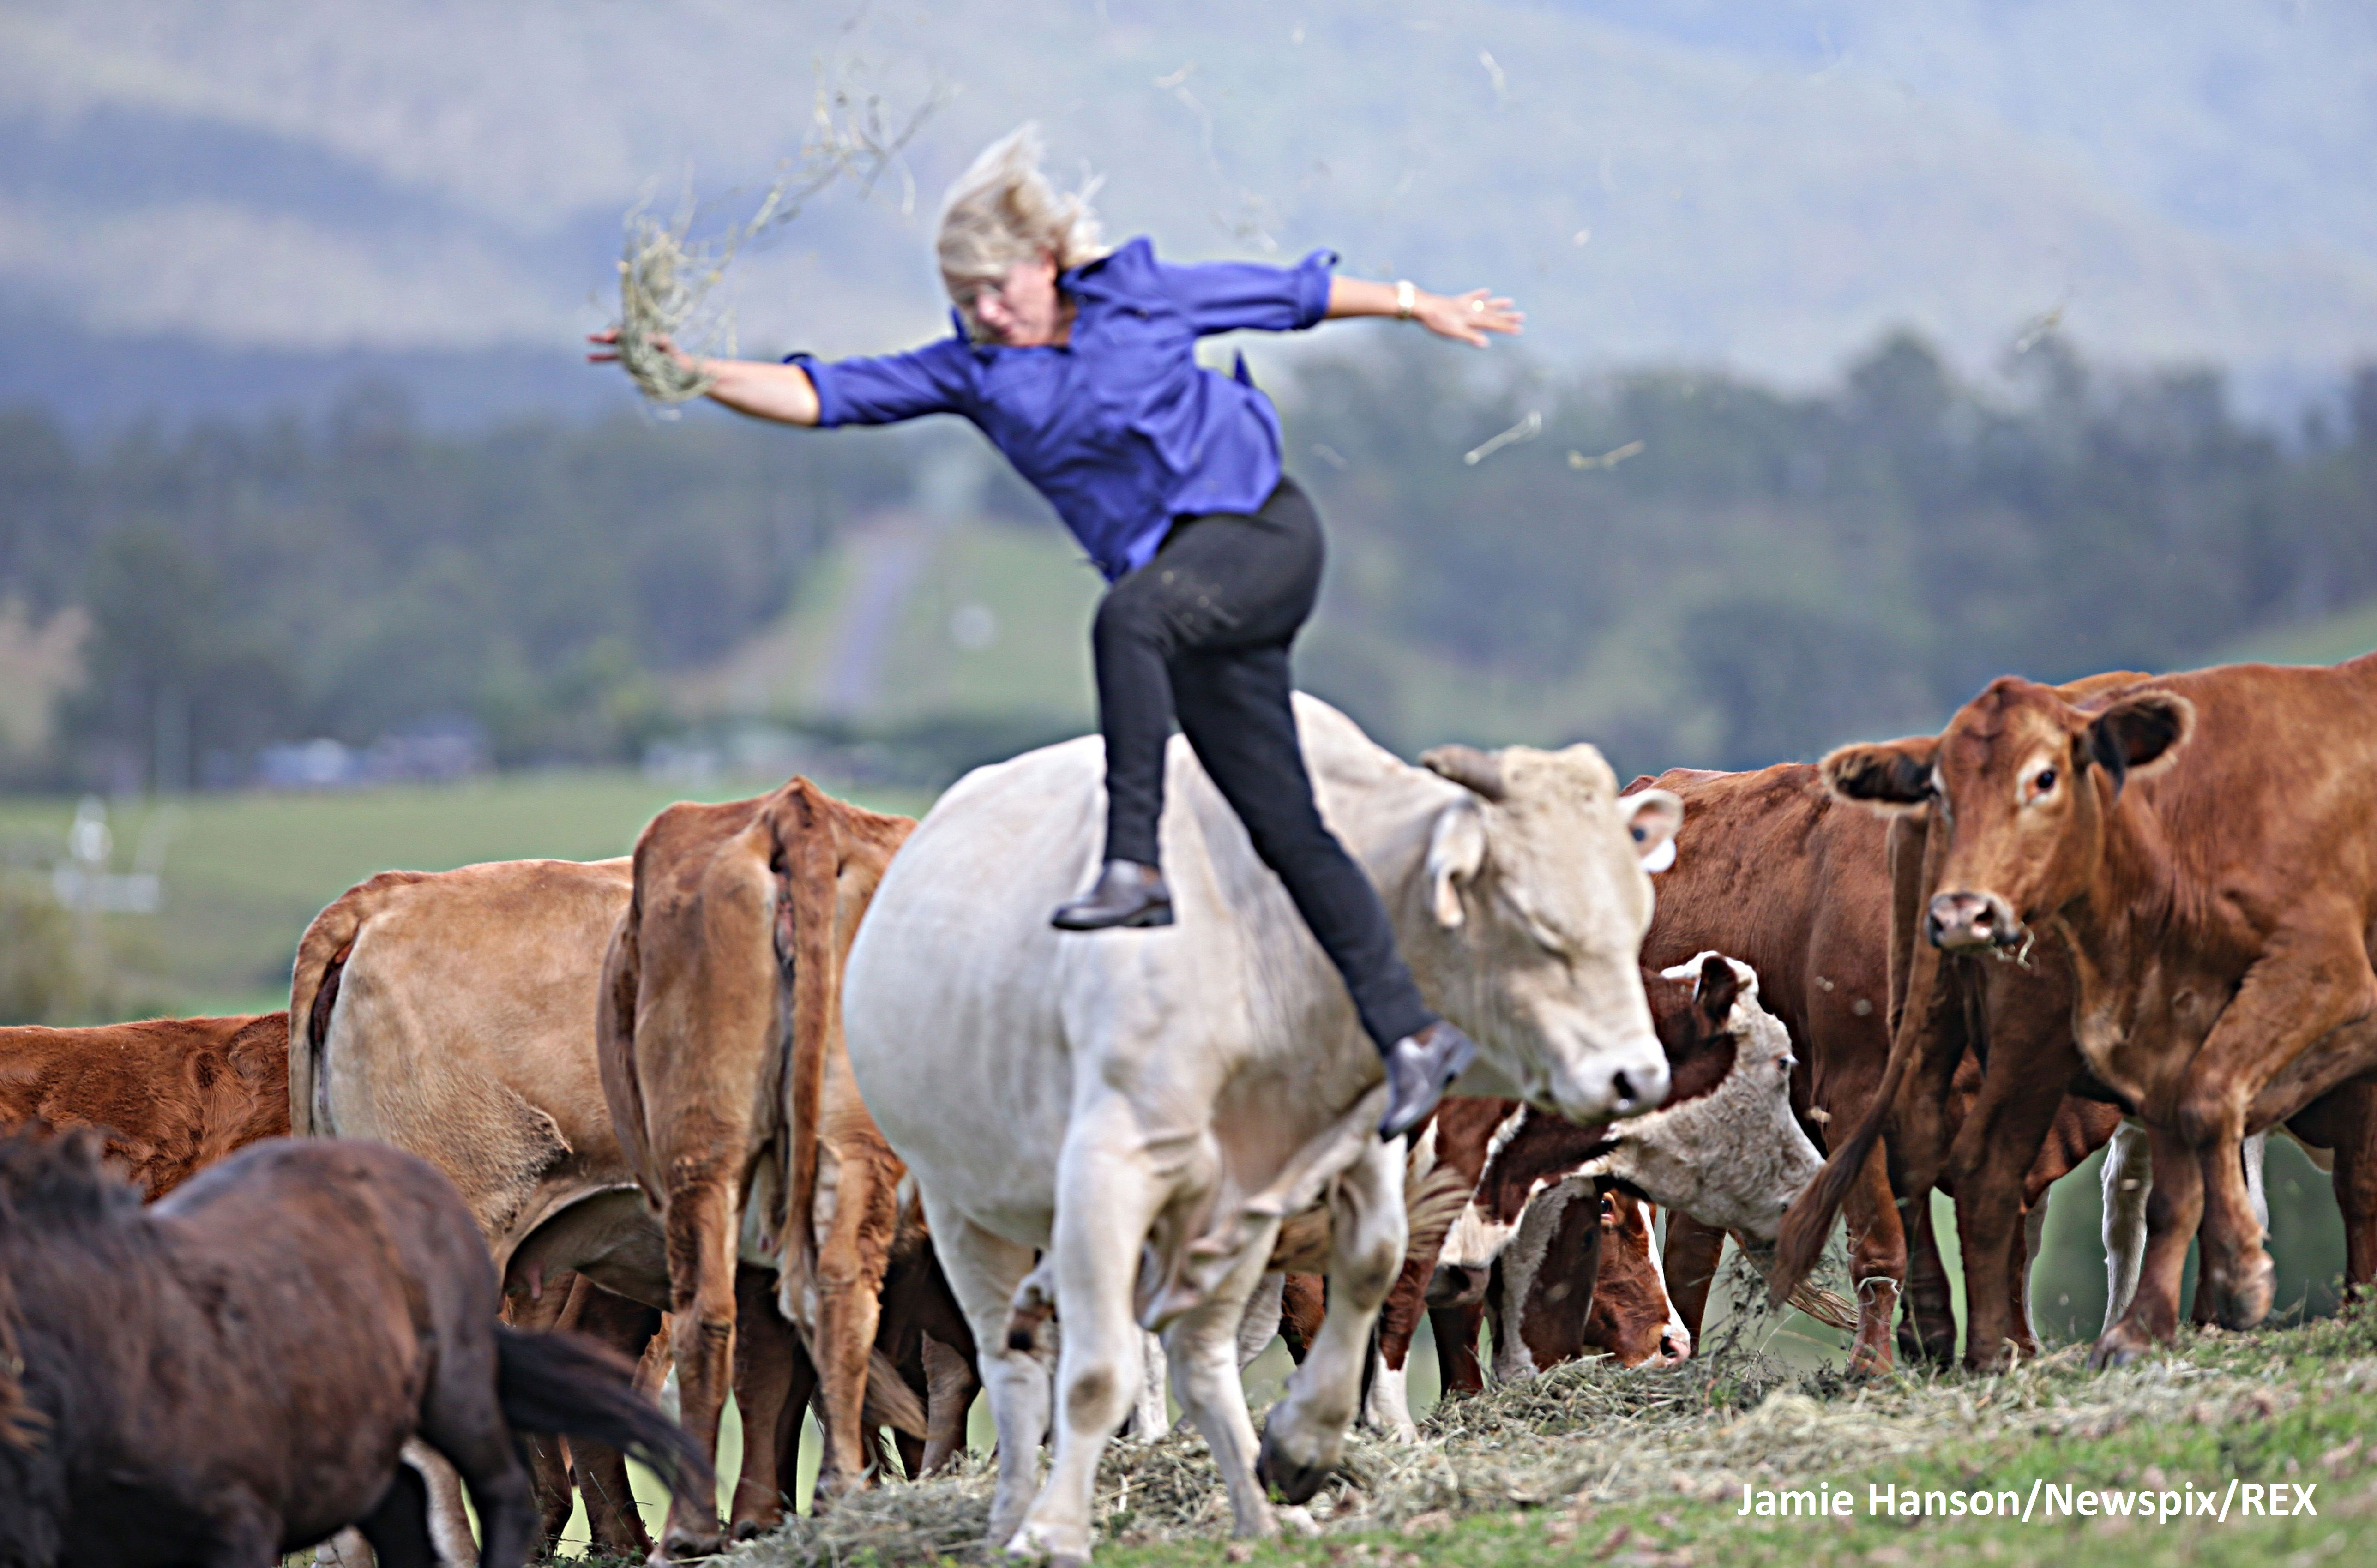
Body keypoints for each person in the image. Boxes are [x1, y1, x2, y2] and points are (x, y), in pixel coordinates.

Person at [591, 126, 1522, 1138]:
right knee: (1282, 820)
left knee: (1126, 620)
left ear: (1045, 259)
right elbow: (827, 394)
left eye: (998, 288)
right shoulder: (977, 371)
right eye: (966, 300)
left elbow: (1289, 296)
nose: (985, 313)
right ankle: (1411, 1036)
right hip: (1186, 604)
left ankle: (1133, 867)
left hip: (1260, 536)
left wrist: (1415, 304)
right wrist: (694, 374)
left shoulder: (1141, 294)